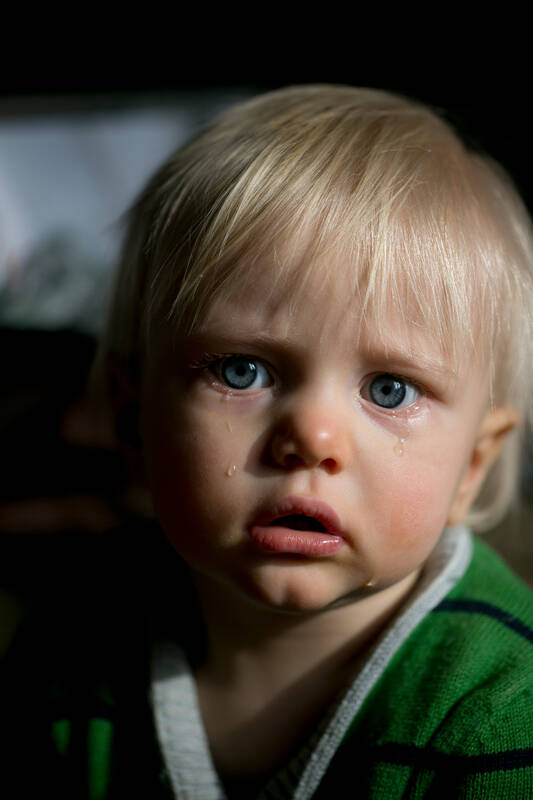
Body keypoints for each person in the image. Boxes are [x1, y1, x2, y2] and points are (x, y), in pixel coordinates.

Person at [2, 85, 533, 799]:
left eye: (389, 390)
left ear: (472, 463)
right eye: (241, 370)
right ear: (134, 423)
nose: (311, 439)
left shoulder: (501, 712)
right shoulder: (75, 635)